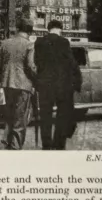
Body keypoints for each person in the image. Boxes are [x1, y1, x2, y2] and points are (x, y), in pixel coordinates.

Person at [34, 20, 82, 150]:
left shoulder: (38, 43)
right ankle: (58, 144)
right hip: (61, 85)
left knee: (45, 115)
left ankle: (46, 145)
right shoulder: (64, 42)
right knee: (62, 115)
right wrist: (77, 81)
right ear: (59, 29)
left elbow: (36, 63)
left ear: (48, 29)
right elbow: (71, 63)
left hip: (45, 85)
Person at [0, 19, 37, 150]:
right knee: (20, 117)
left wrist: (3, 78)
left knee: (9, 114)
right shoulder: (29, 45)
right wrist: (35, 80)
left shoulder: (5, 43)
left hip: (7, 84)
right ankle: (15, 146)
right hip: (23, 85)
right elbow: (31, 67)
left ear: (18, 29)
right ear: (30, 31)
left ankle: (8, 141)